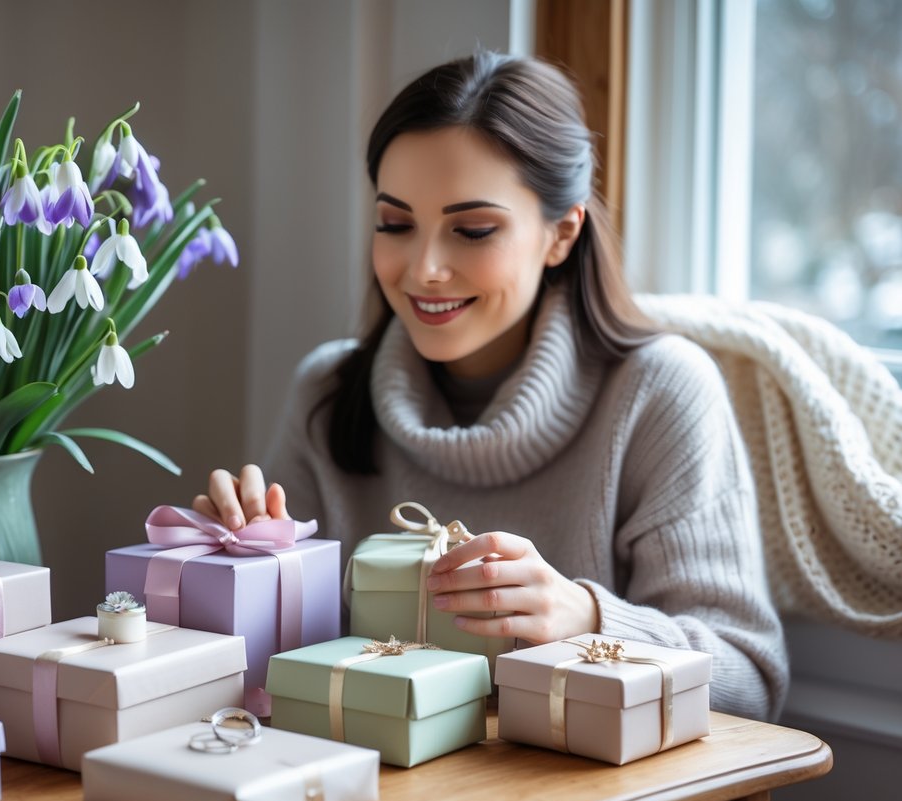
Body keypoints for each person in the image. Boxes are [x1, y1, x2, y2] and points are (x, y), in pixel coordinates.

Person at [193, 51, 787, 721]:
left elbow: (749, 684)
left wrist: (585, 617)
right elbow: (269, 672)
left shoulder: (660, 392)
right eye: (394, 224)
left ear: (561, 233)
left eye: (472, 230)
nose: (424, 268)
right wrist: (241, 567)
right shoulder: (327, 391)